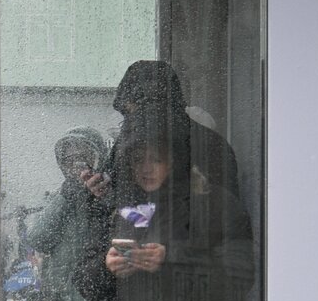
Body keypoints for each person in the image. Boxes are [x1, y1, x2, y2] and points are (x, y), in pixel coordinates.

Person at [74, 111, 254, 301]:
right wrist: (107, 267)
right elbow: (85, 285)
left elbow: (235, 283)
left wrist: (169, 261)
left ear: (177, 160)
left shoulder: (211, 208)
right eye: (137, 159)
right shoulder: (116, 207)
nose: (145, 168)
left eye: (156, 159)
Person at [83, 59, 240, 203]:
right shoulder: (129, 140)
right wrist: (99, 190)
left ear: (153, 105)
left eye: (133, 110)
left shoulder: (206, 145)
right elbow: (118, 196)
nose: (130, 120)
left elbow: (220, 212)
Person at [28, 127, 107, 301]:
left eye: (82, 158)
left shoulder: (106, 190)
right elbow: (38, 236)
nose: (76, 166)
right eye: (68, 160)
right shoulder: (63, 197)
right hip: (64, 299)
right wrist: (67, 196)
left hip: (96, 295)